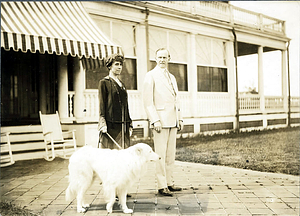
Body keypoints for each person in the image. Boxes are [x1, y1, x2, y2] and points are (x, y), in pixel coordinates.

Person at [142, 48, 184, 196]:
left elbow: (176, 100)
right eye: (159, 57)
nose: (162, 60)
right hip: (160, 121)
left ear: (169, 58)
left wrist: (180, 118)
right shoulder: (150, 75)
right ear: (155, 58)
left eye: (164, 57)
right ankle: (161, 186)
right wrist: (155, 120)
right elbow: (148, 101)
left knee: (170, 155)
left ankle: (169, 182)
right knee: (160, 155)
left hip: (173, 121)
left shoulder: (172, 77)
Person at [98, 53, 133, 149]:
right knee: (110, 157)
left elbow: (126, 105)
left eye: (121, 65)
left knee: (123, 155)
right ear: (109, 66)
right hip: (110, 127)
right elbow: (101, 106)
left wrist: (129, 123)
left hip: (123, 126)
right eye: (116, 64)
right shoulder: (104, 83)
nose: (119, 67)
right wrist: (102, 124)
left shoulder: (122, 85)